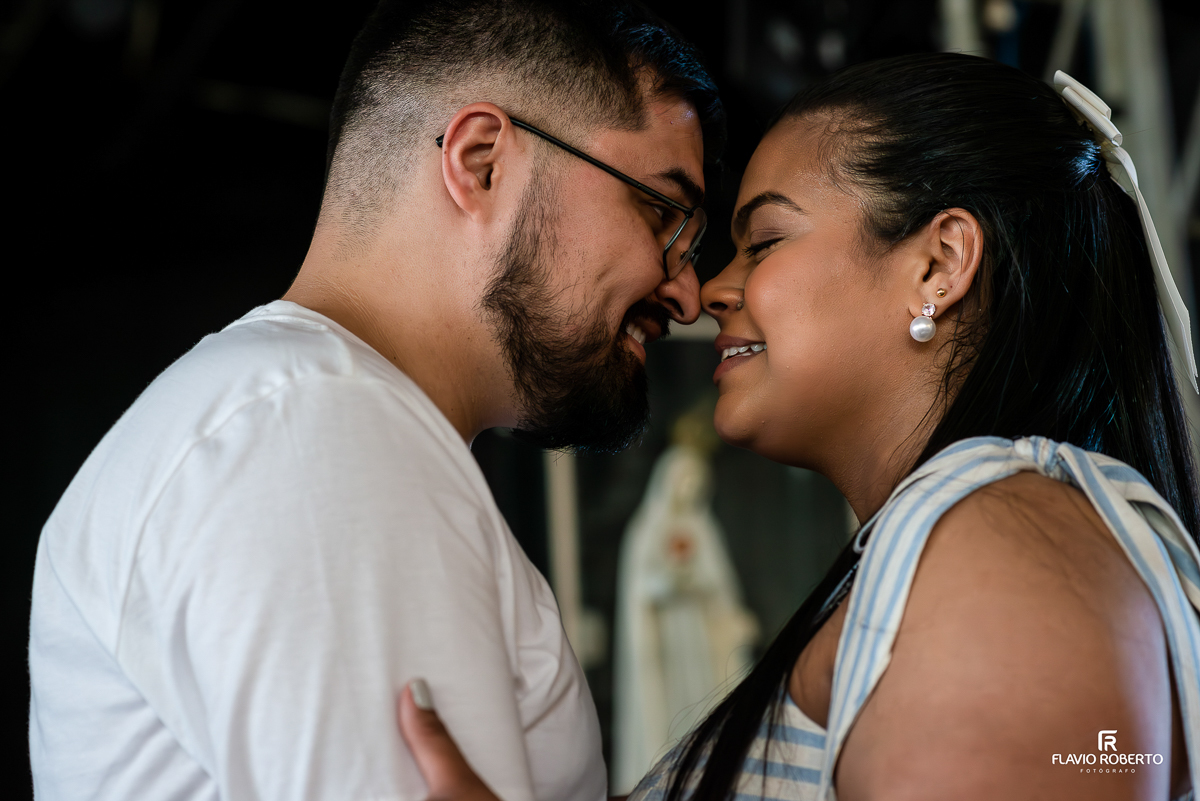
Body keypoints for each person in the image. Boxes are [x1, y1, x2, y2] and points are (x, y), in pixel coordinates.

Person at [395, 53, 1200, 800]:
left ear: (939, 263)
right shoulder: (965, 546)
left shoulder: (1009, 556)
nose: (712, 290)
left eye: (765, 241)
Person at [27, 1, 724, 799]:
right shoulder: (319, 433)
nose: (687, 293)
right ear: (482, 161)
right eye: (661, 212)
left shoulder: (299, 416)